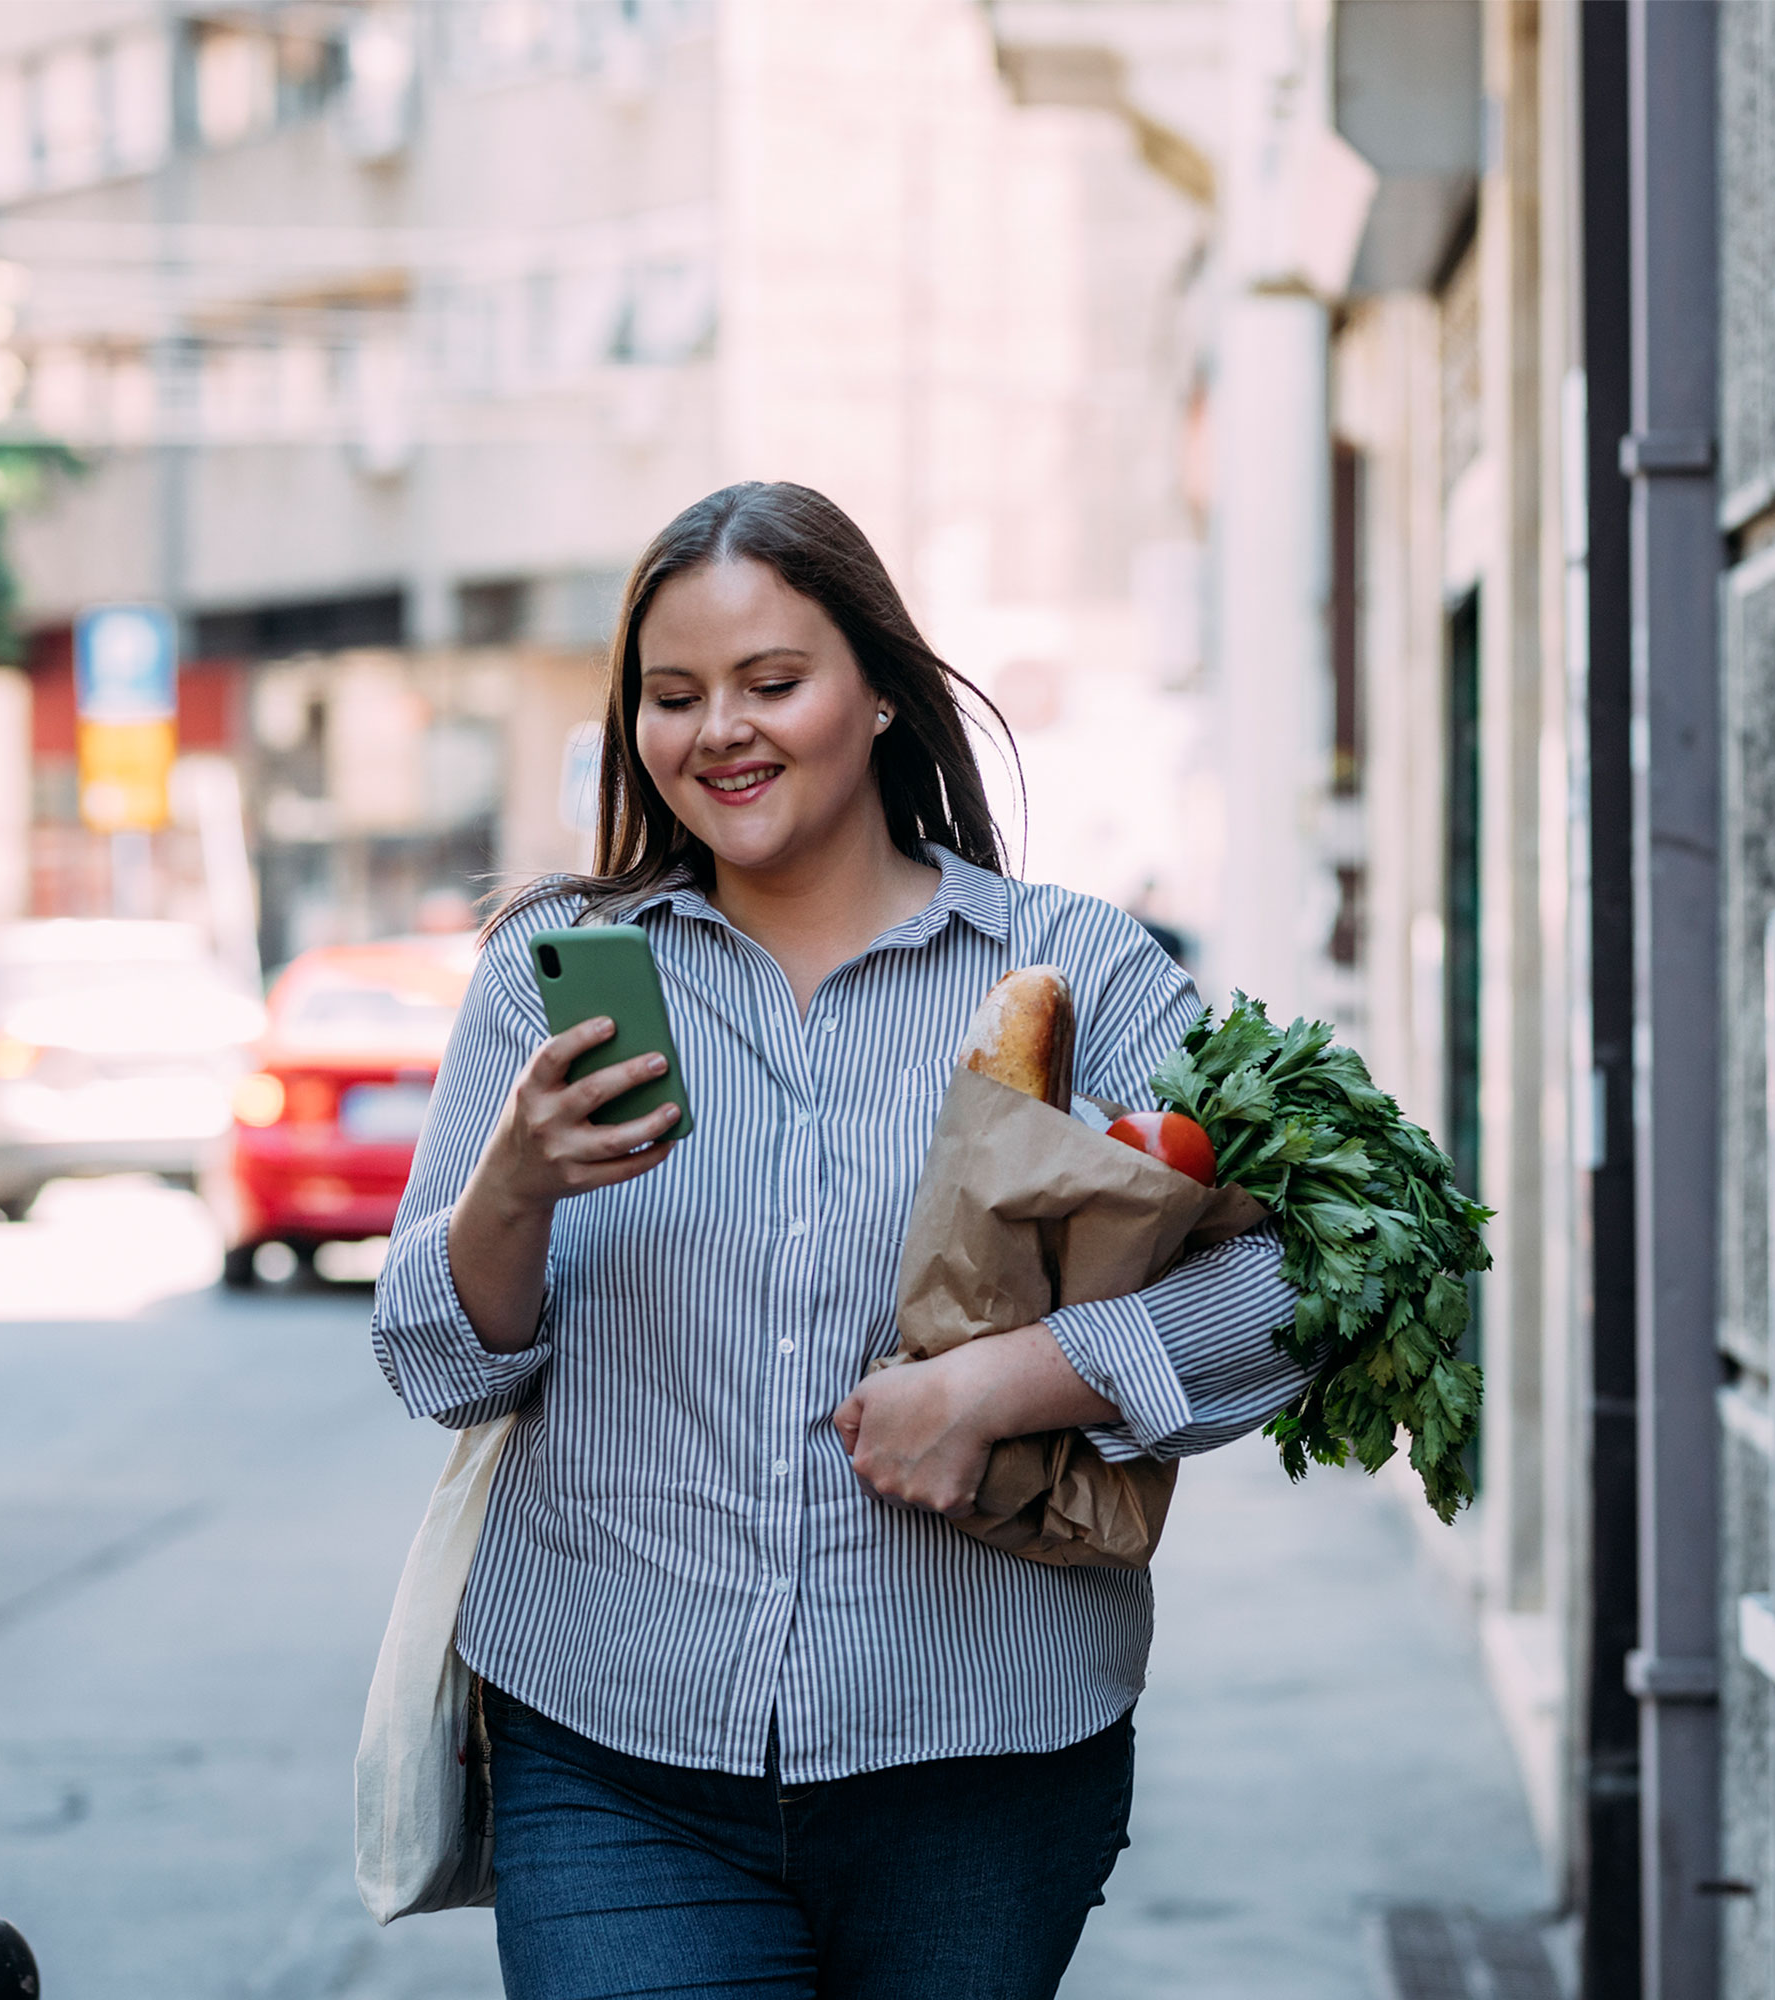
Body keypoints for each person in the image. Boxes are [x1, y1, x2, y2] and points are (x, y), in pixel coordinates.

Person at [371, 482, 1309, 2000]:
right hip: (614, 1755)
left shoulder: (1074, 969)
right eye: (674, 695)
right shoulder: (562, 975)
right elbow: (432, 1362)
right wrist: (515, 1186)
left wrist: (1003, 1385)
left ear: (879, 692)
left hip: (983, 1760)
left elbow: (1297, 1287)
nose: (719, 731)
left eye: (771, 682)